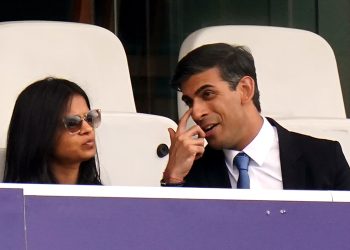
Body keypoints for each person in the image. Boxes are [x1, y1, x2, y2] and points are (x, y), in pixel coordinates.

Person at [161, 43, 350, 190]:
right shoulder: (192, 172)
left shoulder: (323, 159)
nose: (196, 112)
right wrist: (173, 177)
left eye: (207, 94)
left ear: (245, 89)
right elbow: (171, 236)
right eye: (189, 102)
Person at [4, 77, 102, 184]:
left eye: (90, 118)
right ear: (39, 133)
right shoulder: (17, 200)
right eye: (72, 123)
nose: (88, 129)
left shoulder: (105, 198)